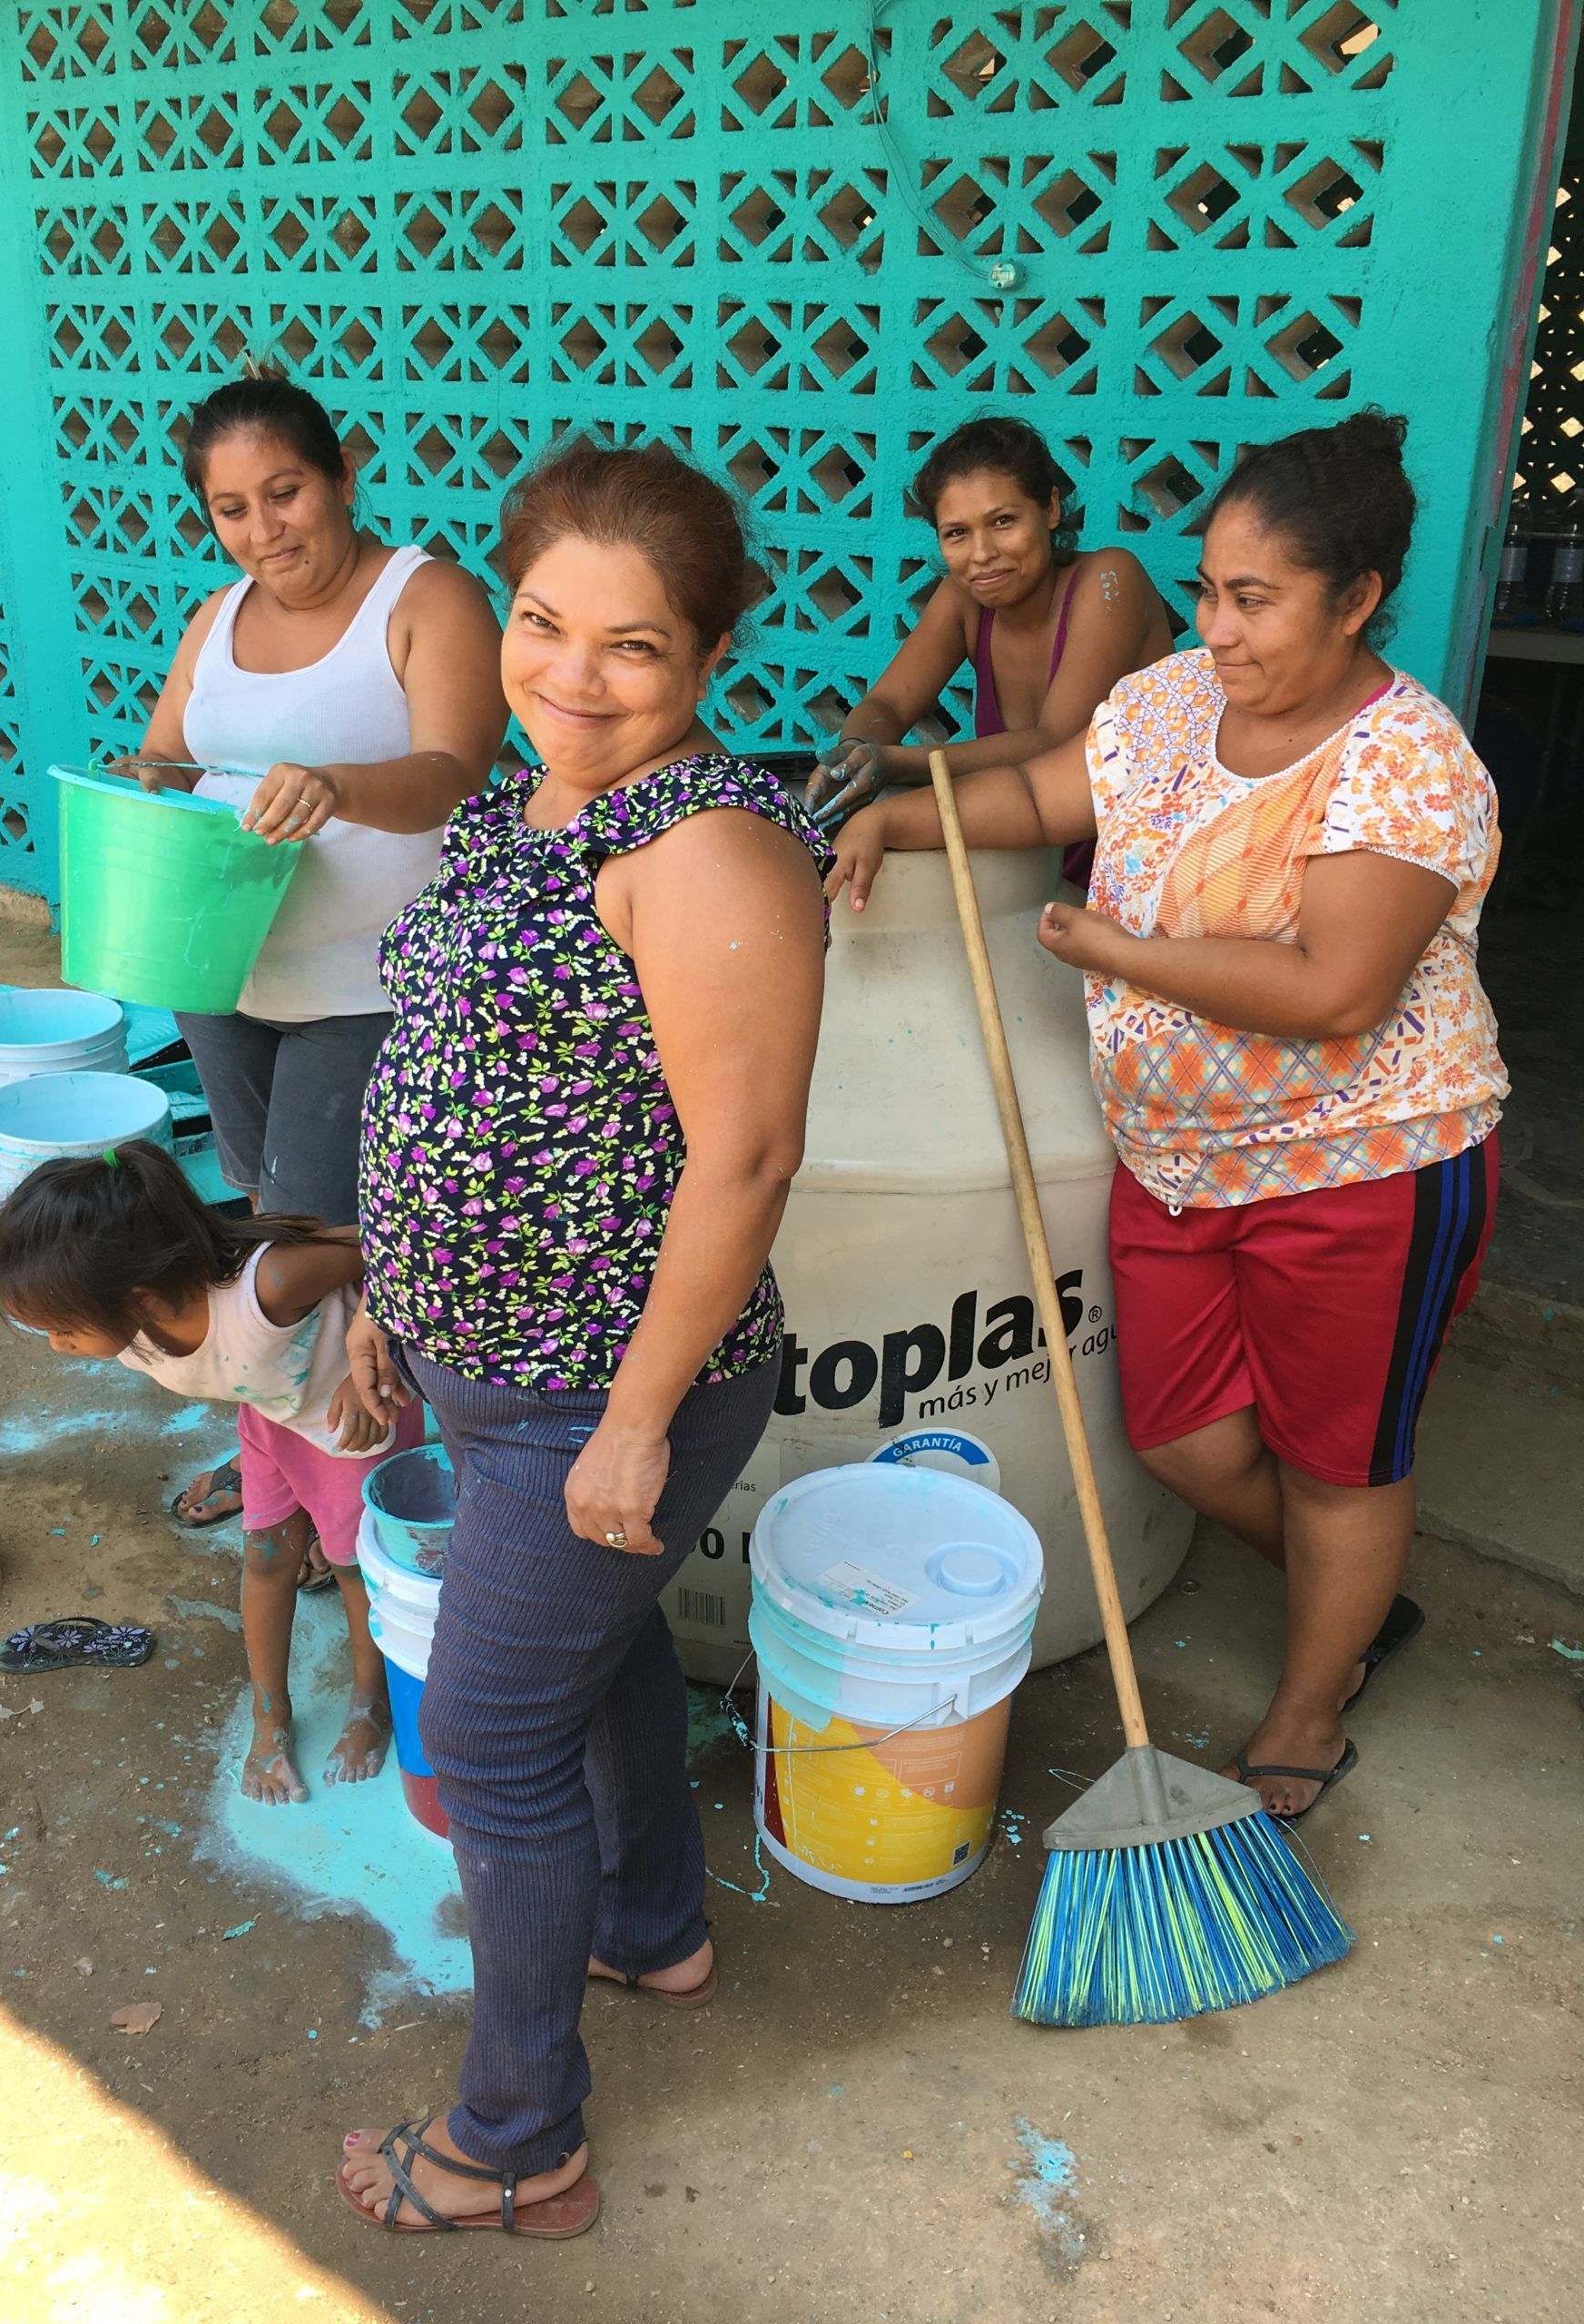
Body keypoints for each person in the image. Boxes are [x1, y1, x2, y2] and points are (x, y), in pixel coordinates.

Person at [829, 409, 1506, 1825]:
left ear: (1360, 597)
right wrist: (910, 813)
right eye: (1208, 590)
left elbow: (1333, 988)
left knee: (1339, 1462)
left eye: (1255, 599)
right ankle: (1353, 1601)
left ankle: (1312, 1703)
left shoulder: (1410, 761)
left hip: (1365, 1170)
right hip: (1174, 1163)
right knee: (1185, 1437)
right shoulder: (1169, 701)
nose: (1221, 626)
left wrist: (1116, 951)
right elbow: (1040, 786)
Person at [333, 440, 831, 2240]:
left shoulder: (708, 846)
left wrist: (633, 1423)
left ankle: (517, 2135)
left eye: (635, 645)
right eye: (545, 622)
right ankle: (653, 1931)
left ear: (708, 658)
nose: (570, 673)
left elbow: (749, 1154)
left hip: (604, 1386)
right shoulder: (516, 804)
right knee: (595, 1668)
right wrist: (392, 1288)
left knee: (489, 1741)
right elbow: (446, 1066)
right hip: (496, 1362)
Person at [123, 367, 505, 1534]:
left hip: (372, 987)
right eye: (232, 509)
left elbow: (456, 770)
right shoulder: (216, 619)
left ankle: (378, 1483)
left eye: (285, 492)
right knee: (264, 1233)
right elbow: (162, 766)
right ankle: (290, 1453)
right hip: (230, 978)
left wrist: (333, 787)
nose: (263, 530)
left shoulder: (426, 597)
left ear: (346, 472)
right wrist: (141, 804)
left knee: (326, 1237)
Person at [0, 1141, 428, 1805]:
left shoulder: (269, 1288)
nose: (55, 1346)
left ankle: (370, 1704)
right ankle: (271, 1715)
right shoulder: (138, 1323)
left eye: (62, 1329)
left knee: (354, 1569)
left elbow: (397, 1246)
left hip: (355, 1421)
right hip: (273, 1419)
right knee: (267, 1558)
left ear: (141, 1299)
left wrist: (377, 1357)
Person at [806, 415, 1173, 883]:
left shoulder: (1109, 581)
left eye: (1003, 521)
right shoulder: (965, 599)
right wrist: (857, 752)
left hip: (1128, 871)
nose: (981, 554)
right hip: (1018, 867)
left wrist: (895, 763)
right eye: (956, 533)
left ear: (1051, 509)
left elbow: (1054, 742)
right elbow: (887, 703)